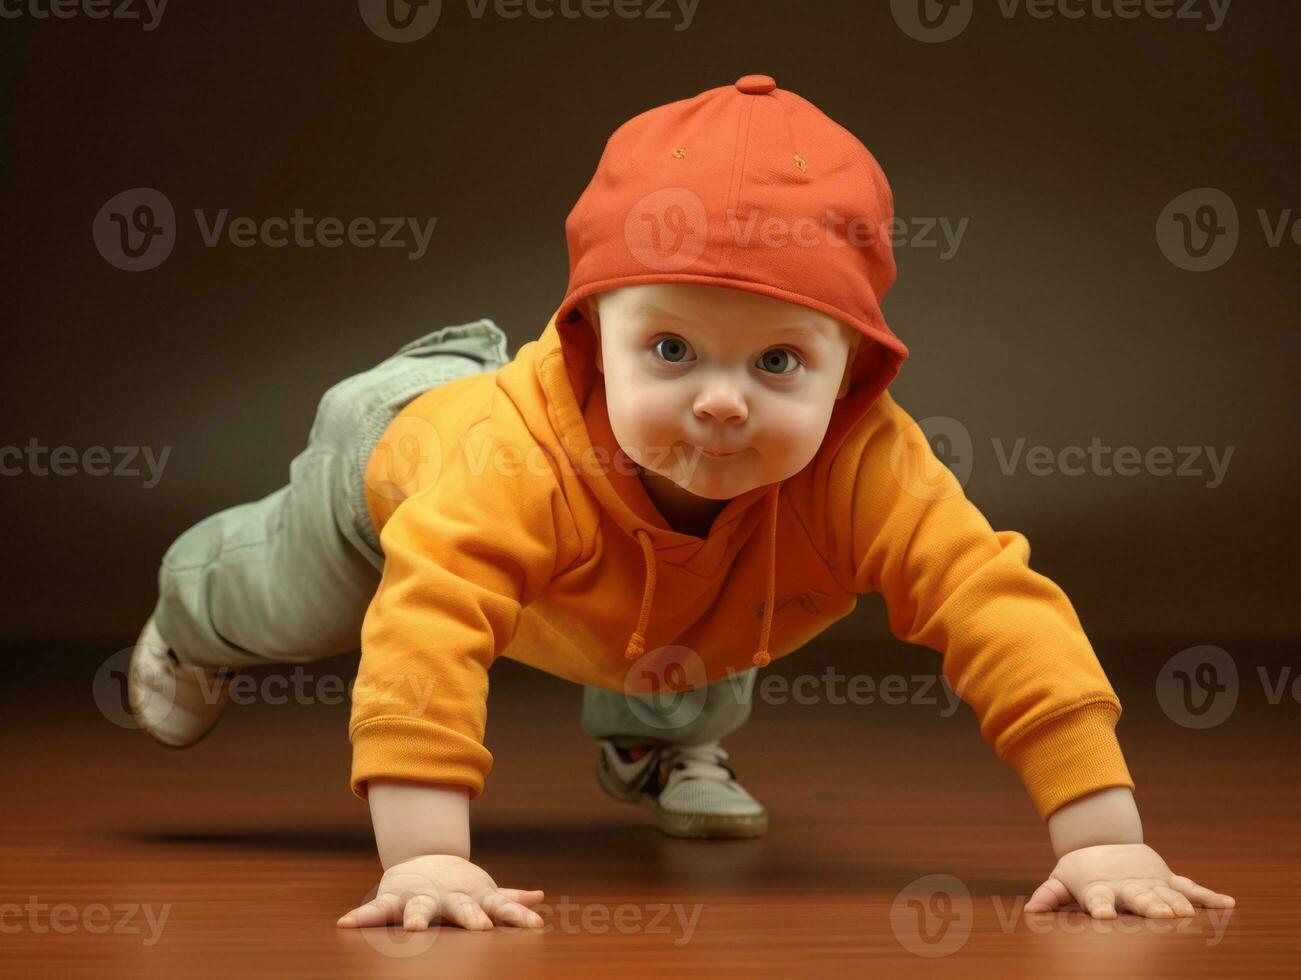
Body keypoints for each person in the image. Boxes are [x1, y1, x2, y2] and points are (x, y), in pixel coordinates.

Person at [128, 74, 1236, 933]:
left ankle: (657, 743)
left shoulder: (864, 466)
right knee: (287, 599)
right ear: (588, 336)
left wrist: (1101, 838)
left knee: (719, 590)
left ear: (850, 368)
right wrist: (426, 854)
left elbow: (997, 606)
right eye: (668, 347)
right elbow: (426, 634)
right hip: (395, 480)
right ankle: (191, 615)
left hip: (640, 587)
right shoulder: (505, 464)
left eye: (778, 362)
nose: (719, 402)